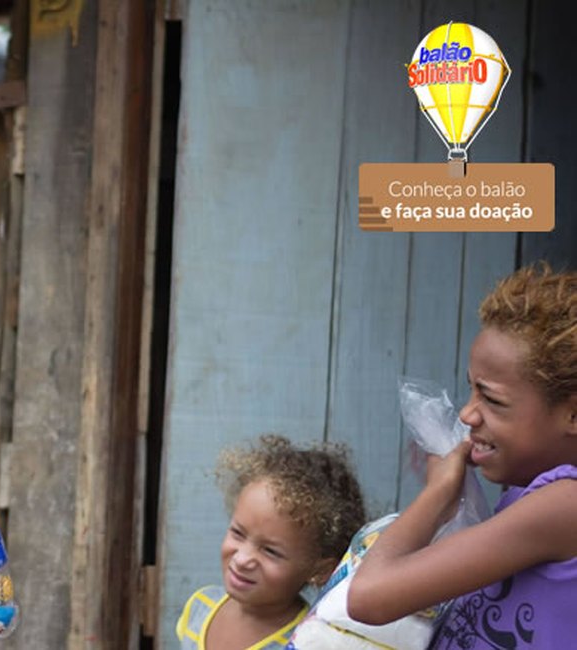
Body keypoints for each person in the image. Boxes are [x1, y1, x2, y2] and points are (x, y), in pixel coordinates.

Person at [348, 264, 577, 649]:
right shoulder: (532, 498)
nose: (467, 414)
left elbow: (368, 596)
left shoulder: (564, 506)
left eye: (492, 399)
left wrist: (440, 491)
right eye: (471, 390)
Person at [176, 434, 367, 649]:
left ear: (320, 570)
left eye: (270, 551)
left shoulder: (307, 640)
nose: (242, 559)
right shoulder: (201, 606)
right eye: (238, 533)